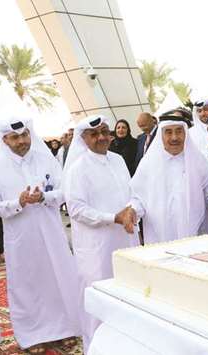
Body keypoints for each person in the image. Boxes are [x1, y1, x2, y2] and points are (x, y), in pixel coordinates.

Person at [0, 117, 81, 354]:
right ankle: (33, 335)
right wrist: (18, 202)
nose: (22, 141)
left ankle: (64, 329)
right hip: (21, 238)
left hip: (51, 232)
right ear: (5, 140)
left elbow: (64, 190)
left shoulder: (45, 158)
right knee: (27, 284)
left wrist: (45, 198)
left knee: (57, 277)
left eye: (24, 135)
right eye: (15, 137)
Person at [63, 115, 140, 351]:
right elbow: (76, 209)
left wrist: (131, 211)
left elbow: (132, 192)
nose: (101, 138)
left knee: (128, 295)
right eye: (94, 134)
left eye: (105, 132)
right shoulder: (78, 168)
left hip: (125, 240)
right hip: (96, 248)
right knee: (99, 302)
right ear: (83, 138)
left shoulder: (117, 160)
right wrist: (113, 218)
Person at [128, 116, 208, 244]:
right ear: (161, 136)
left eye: (179, 131)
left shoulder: (198, 162)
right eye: (169, 132)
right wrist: (132, 210)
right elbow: (138, 198)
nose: (174, 137)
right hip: (159, 238)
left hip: (194, 238)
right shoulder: (148, 164)